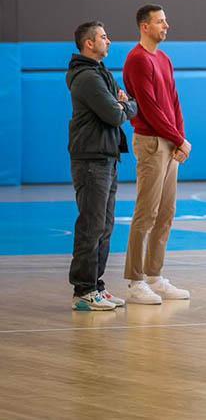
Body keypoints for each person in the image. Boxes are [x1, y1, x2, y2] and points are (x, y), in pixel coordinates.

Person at [122, 4, 191, 305]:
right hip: (151, 143)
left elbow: (173, 101)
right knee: (146, 213)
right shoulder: (137, 60)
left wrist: (180, 139)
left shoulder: (164, 59)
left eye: (166, 20)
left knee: (166, 213)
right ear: (144, 26)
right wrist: (176, 137)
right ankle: (136, 280)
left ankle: (154, 275)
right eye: (161, 22)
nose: (167, 26)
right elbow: (149, 109)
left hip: (170, 142)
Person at [67, 21, 138, 311]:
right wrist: (122, 106)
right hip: (90, 160)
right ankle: (83, 291)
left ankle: (96, 285)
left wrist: (124, 105)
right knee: (91, 225)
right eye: (103, 38)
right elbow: (115, 114)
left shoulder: (101, 73)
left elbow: (130, 106)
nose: (108, 41)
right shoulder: (86, 77)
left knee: (105, 226)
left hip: (107, 157)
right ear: (89, 44)